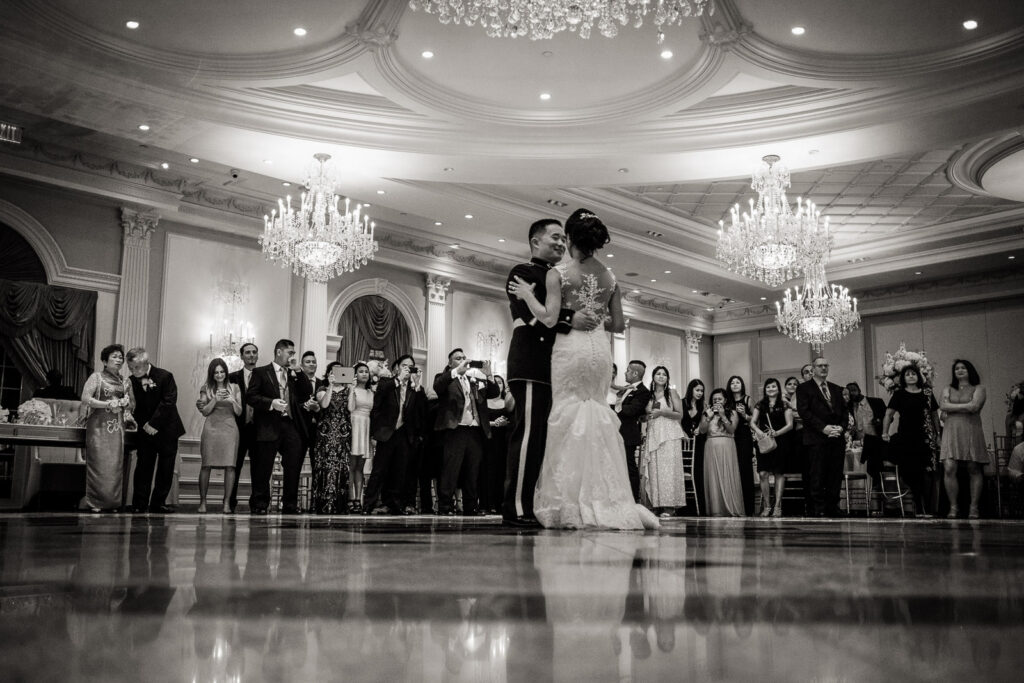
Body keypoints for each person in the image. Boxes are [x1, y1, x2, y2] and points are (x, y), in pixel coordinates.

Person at [509, 208, 659, 529]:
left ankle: (569, 498)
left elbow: (548, 319)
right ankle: (605, 497)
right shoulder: (611, 276)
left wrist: (527, 296)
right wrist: (595, 317)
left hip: (571, 350)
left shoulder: (559, 274)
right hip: (600, 352)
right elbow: (618, 324)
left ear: (573, 238)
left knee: (567, 417)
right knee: (596, 415)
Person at [502, 217, 600, 527]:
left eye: (563, 239)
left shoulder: (562, 276)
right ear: (535, 242)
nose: (560, 243)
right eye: (554, 237)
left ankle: (534, 504)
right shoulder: (522, 273)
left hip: (557, 367)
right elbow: (535, 317)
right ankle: (516, 508)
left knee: (545, 440)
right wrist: (571, 317)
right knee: (529, 437)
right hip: (531, 363)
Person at [434, 348, 500, 515]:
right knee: (451, 469)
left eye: (464, 357)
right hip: (456, 429)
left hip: (475, 430)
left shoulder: (474, 379)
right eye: (458, 358)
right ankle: (445, 506)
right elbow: (438, 387)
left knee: (473, 470)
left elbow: (494, 393)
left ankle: (471, 506)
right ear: (450, 363)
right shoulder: (446, 378)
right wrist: (456, 371)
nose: (463, 360)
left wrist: (489, 374)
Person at [245, 339, 304, 515]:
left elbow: (306, 391)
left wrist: (299, 372)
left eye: (293, 353)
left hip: (290, 425)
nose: (292, 356)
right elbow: (251, 397)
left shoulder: (294, 374)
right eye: (290, 353)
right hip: (268, 425)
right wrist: (271, 403)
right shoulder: (261, 372)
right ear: (279, 352)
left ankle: (290, 505)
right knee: (263, 467)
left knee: (293, 465)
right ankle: (260, 504)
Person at [127, 347, 186, 513]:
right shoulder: (131, 381)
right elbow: (135, 407)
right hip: (145, 431)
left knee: (165, 469)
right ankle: (139, 504)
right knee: (143, 467)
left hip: (167, 429)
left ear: (146, 363)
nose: (133, 371)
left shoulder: (165, 376)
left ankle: (158, 503)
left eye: (136, 368)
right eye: (130, 368)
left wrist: (154, 423)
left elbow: (169, 402)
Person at [365, 355, 425, 515]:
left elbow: (421, 410)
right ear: (397, 367)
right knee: (379, 470)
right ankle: (368, 504)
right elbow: (378, 403)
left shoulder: (415, 388)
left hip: (405, 435)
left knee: (400, 471)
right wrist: (399, 379)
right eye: (404, 365)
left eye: (411, 366)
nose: (407, 368)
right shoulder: (386, 383)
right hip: (387, 432)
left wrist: (417, 385)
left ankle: (395, 504)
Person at [79, 344, 135, 512]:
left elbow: (131, 404)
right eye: (114, 357)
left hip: (117, 428)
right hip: (98, 426)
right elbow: (85, 398)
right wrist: (107, 404)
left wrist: (126, 408)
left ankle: (112, 503)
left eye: (120, 357)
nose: (118, 360)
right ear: (104, 360)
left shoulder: (126, 381)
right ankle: (95, 502)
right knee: (99, 464)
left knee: (115, 465)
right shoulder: (96, 377)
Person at [882, 365, 940, 516]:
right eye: (907, 374)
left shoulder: (927, 393)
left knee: (927, 472)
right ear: (903, 378)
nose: (911, 376)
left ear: (919, 376)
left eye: (913, 374)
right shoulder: (899, 394)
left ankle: (928, 506)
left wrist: (938, 434)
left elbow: (934, 415)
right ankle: (918, 506)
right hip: (906, 437)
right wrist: (885, 432)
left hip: (925, 436)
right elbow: (888, 414)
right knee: (911, 471)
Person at [796, 357, 847, 517]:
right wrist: (823, 428)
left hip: (836, 437)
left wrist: (841, 427)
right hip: (816, 437)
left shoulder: (836, 388)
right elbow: (804, 412)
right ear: (813, 368)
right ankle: (818, 508)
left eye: (826, 365)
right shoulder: (804, 388)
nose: (823, 368)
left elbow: (845, 413)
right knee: (817, 474)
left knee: (835, 474)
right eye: (820, 366)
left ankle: (833, 506)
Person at [939, 359, 989, 519]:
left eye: (963, 368)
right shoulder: (948, 388)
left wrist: (952, 407)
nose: (959, 370)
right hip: (951, 431)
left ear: (970, 370)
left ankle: (973, 507)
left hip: (971, 429)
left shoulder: (979, 388)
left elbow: (975, 406)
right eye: (957, 368)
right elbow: (943, 406)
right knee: (949, 467)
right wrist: (966, 406)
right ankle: (953, 507)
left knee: (973, 468)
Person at [196, 358, 241, 513]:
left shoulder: (235, 387)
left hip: (230, 429)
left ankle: (227, 503)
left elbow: (239, 411)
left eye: (222, 371)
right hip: (211, 428)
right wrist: (215, 399)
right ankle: (202, 502)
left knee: (230, 466)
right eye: (216, 372)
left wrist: (232, 400)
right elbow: (205, 411)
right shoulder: (206, 388)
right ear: (212, 374)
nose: (220, 375)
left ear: (226, 372)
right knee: (206, 465)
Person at [641, 366, 686, 517]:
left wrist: (663, 412)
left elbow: (680, 415)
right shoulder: (648, 395)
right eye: (658, 374)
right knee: (655, 469)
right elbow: (643, 416)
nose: (661, 376)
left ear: (667, 378)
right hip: (654, 432)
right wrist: (647, 417)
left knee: (669, 470)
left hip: (669, 434)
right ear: (653, 377)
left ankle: (669, 506)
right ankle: (656, 504)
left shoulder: (671, 393)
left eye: (664, 374)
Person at [311, 361, 352, 515]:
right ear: (328, 374)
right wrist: (330, 386)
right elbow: (325, 405)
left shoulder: (348, 390)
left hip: (343, 432)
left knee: (341, 466)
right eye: (334, 371)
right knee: (325, 466)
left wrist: (352, 388)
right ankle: (322, 504)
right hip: (325, 433)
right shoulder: (322, 389)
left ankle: (340, 505)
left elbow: (351, 408)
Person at [750, 378, 794, 517]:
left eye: (773, 386)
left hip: (781, 443)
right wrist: (760, 433)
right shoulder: (760, 404)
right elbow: (752, 422)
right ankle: (767, 506)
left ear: (778, 388)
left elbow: (790, 425)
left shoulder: (785, 404)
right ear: (765, 389)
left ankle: (778, 506)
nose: (770, 389)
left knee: (778, 474)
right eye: (768, 387)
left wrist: (777, 433)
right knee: (763, 473)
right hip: (764, 442)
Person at [699, 388, 744, 517]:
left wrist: (723, 415)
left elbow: (731, 430)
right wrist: (708, 417)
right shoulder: (707, 413)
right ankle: (716, 509)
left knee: (727, 475)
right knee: (713, 478)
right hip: (711, 447)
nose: (717, 401)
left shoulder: (733, 413)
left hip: (727, 446)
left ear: (725, 400)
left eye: (719, 399)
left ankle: (731, 507)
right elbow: (702, 431)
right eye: (714, 399)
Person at [226, 342, 259, 512]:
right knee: (234, 466)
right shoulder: (232, 377)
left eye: (254, 352)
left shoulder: (264, 375)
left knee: (258, 469)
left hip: (259, 429)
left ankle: (257, 503)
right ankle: (230, 501)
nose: (251, 355)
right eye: (248, 352)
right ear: (242, 356)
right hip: (238, 428)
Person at [616, 360, 651, 503]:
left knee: (629, 465)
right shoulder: (625, 389)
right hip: (617, 432)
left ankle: (633, 498)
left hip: (628, 433)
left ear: (635, 373)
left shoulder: (643, 392)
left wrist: (614, 409)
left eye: (627, 370)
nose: (625, 372)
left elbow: (632, 410)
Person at [481, 374, 514, 514]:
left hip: (503, 440)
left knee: (502, 472)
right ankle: (486, 504)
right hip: (487, 440)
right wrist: (494, 423)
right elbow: (480, 421)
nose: (498, 385)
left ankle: (501, 503)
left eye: (500, 383)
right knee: (487, 472)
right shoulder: (483, 402)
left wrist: (506, 423)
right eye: (495, 383)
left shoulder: (507, 402)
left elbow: (514, 419)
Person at [726, 375, 756, 515]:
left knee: (745, 470)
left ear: (742, 384)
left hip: (744, 436)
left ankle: (748, 508)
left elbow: (755, 420)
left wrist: (745, 415)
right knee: (732, 469)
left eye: (738, 382)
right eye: (732, 382)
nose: (735, 384)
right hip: (730, 436)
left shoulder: (748, 399)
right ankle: (733, 505)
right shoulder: (727, 401)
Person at [347, 362, 373, 513]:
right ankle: (350, 498)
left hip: (366, 426)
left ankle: (359, 499)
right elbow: (350, 408)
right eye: (361, 371)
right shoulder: (353, 389)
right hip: (354, 424)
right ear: (356, 374)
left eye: (366, 371)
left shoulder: (371, 392)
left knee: (360, 467)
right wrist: (351, 389)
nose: (364, 374)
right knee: (351, 466)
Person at [680, 379, 707, 515]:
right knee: (681, 473)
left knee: (697, 473)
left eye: (702, 391)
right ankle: (682, 508)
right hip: (682, 442)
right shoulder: (681, 402)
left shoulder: (703, 406)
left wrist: (700, 426)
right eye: (697, 390)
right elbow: (676, 421)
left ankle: (699, 508)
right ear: (691, 389)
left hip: (698, 443)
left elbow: (704, 428)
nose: (700, 393)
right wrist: (682, 432)